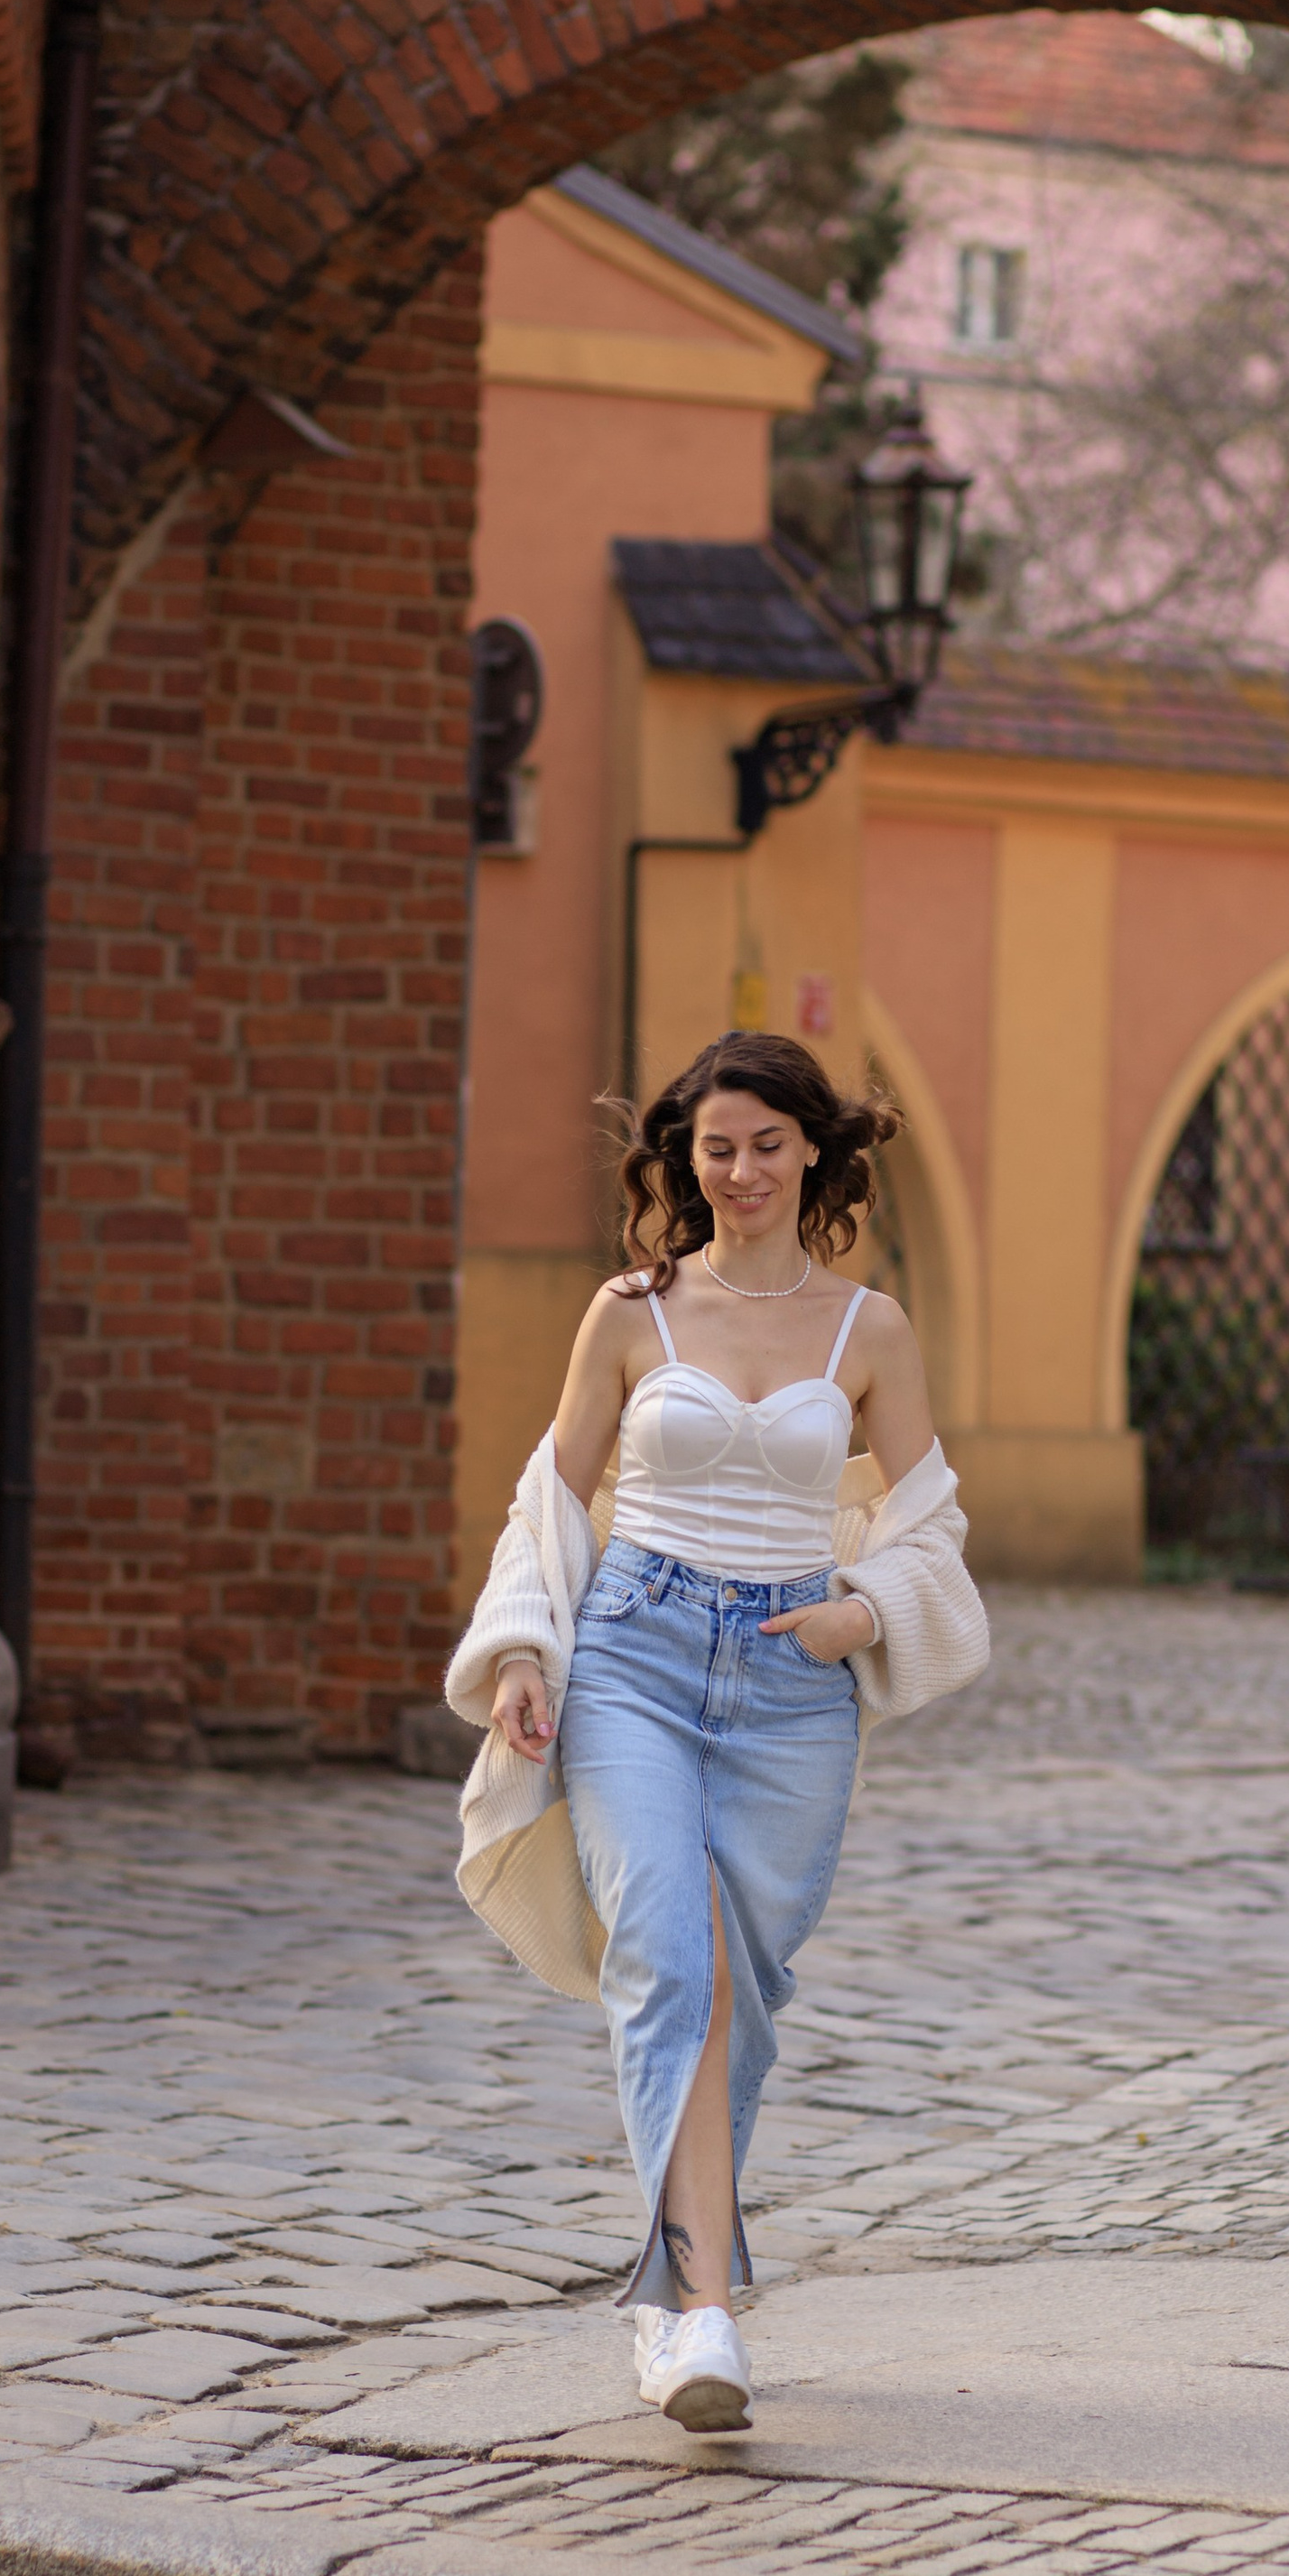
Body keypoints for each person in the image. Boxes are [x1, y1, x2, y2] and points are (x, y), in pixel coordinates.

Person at [444, 1033, 988, 2434]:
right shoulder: (632, 1312)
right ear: (683, 1162)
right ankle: (704, 2315)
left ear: (813, 1150)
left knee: (739, 1991)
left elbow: (932, 1524)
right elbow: (553, 1500)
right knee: (666, 1951)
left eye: (762, 1144)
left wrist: (861, 1614)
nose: (738, 1172)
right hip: (633, 1654)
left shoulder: (870, 1330)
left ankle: (667, 2293)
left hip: (791, 1683)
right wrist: (522, 1646)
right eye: (712, 1148)